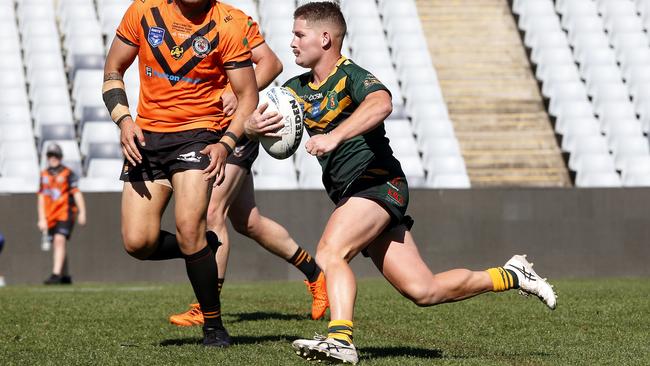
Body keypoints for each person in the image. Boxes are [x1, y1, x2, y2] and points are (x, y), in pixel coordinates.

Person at [245, 3, 558, 364]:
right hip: (353, 193)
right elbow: (265, 127)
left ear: (325, 38)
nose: (293, 42)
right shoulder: (294, 89)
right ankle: (512, 274)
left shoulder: (351, 76)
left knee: (331, 253)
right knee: (424, 290)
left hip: (378, 183)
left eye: (300, 34)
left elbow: (382, 103)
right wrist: (253, 128)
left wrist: (335, 136)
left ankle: (340, 340)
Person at [104, 0, 259, 347]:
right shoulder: (143, 10)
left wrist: (226, 144)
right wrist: (124, 120)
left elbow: (248, 95)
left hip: (199, 134)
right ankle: (202, 249)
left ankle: (214, 326)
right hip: (146, 137)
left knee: (189, 228)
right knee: (137, 243)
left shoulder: (229, 23)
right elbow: (113, 69)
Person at [168, 11, 328, 327]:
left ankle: (206, 305)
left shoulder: (230, 21)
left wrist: (233, 92)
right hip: (204, 130)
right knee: (248, 221)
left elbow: (271, 63)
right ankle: (316, 274)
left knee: (213, 213)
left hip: (236, 128)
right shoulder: (173, 24)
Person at [37, 143, 87, 285]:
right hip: (50, 215)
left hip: (65, 212)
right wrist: (41, 218)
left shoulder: (68, 174)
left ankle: (56, 274)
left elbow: (76, 193)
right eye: (50, 155)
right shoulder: (44, 175)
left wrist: (82, 212)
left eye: (56, 155)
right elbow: (41, 197)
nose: (53, 158)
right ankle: (65, 276)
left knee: (59, 240)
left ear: (60, 157)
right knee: (59, 243)